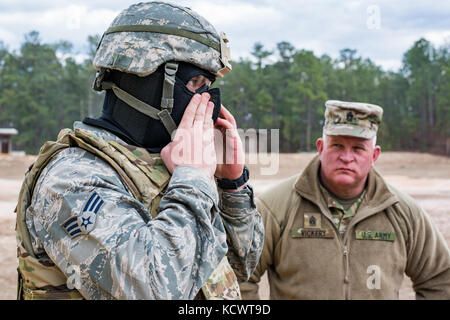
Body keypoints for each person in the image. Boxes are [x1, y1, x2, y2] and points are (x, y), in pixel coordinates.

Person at [15, 2, 263, 300]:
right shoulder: (72, 177)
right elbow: (154, 289)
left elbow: (239, 265)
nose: (206, 100)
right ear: (143, 82)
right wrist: (194, 179)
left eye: (208, 85)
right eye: (195, 83)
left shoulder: (172, 162)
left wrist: (232, 183)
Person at [240, 100, 450, 299]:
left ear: (374, 155)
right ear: (321, 148)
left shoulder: (403, 213)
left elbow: (440, 279)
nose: (347, 157)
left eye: (358, 148)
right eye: (337, 146)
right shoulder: (275, 207)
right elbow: (239, 277)